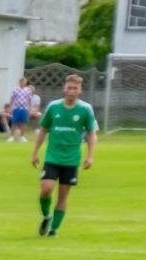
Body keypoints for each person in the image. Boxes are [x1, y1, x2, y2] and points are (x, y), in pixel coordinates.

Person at [32, 73, 96, 237]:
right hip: (52, 157)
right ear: (64, 88)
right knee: (46, 189)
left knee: (63, 195)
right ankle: (47, 216)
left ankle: (53, 230)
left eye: (75, 88)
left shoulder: (85, 109)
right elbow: (43, 129)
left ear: (80, 90)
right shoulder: (54, 107)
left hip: (71, 159)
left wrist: (90, 156)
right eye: (69, 87)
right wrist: (35, 152)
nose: (72, 91)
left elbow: (91, 133)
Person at [7, 77, 33, 141]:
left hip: (24, 108)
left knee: (23, 122)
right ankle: (11, 136)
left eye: (24, 82)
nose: (23, 83)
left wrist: (30, 109)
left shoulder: (28, 90)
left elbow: (29, 100)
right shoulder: (15, 89)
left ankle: (22, 136)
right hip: (16, 108)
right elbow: (12, 98)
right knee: (14, 122)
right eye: (22, 82)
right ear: (20, 82)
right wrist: (10, 107)